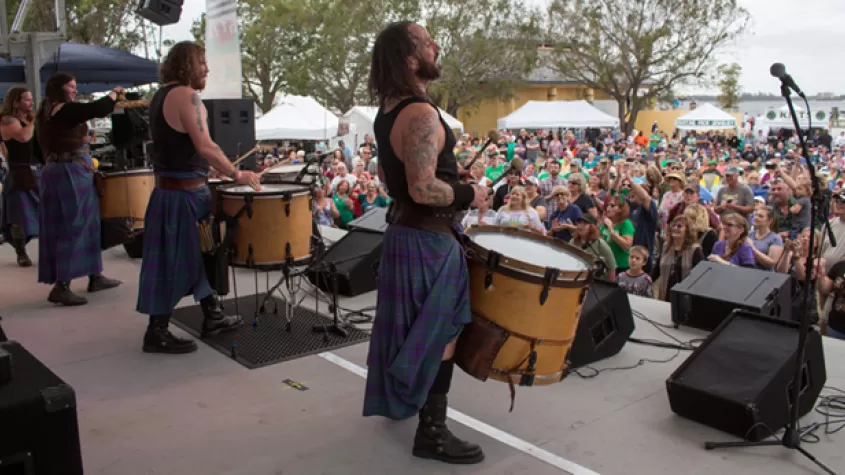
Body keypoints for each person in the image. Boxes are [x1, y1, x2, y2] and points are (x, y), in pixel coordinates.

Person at [362, 21, 487, 465]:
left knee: (409, 328)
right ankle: (432, 432)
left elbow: (389, 176)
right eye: (427, 42)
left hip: (404, 235)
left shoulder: (388, 109)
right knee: (440, 332)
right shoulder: (419, 113)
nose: (436, 46)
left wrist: (449, 178)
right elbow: (422, 189)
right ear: (411, 59)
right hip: (428, 242)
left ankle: (405, 401)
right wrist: (470, 193)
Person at [136, 42, 259, 354]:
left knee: (199, 258)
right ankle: (156, 331)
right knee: (178, 261)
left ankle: (212, 316)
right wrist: (237, 174)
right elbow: (206, 146)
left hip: (174, 192)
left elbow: (184, 150)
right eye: (201, 62)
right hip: (182, 198)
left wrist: (208, 172)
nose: (207, 68)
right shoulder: (186, 96)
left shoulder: (162, 95)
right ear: (186, 64)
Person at [35, 73, 122, 306]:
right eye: (71, 87)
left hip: (64, 170)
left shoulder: (46, 114)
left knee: (87, 223)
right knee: (72, 226)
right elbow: (99, 108)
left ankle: (94, 275)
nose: (74, 90)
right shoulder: (61, 110)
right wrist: (114, 92)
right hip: (69, 171)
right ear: (59, 89)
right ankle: (62, 285)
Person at [0, 86, 39, 267]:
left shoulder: (29, 119)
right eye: (27, 99)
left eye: (31, 99)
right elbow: (23, 137)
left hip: (37, 171)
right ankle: (21, 252)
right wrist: (35, 121)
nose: (31, 103)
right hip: (19, 173)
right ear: (16, 102)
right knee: (18, 217)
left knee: (43, 213)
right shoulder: (7, 120)